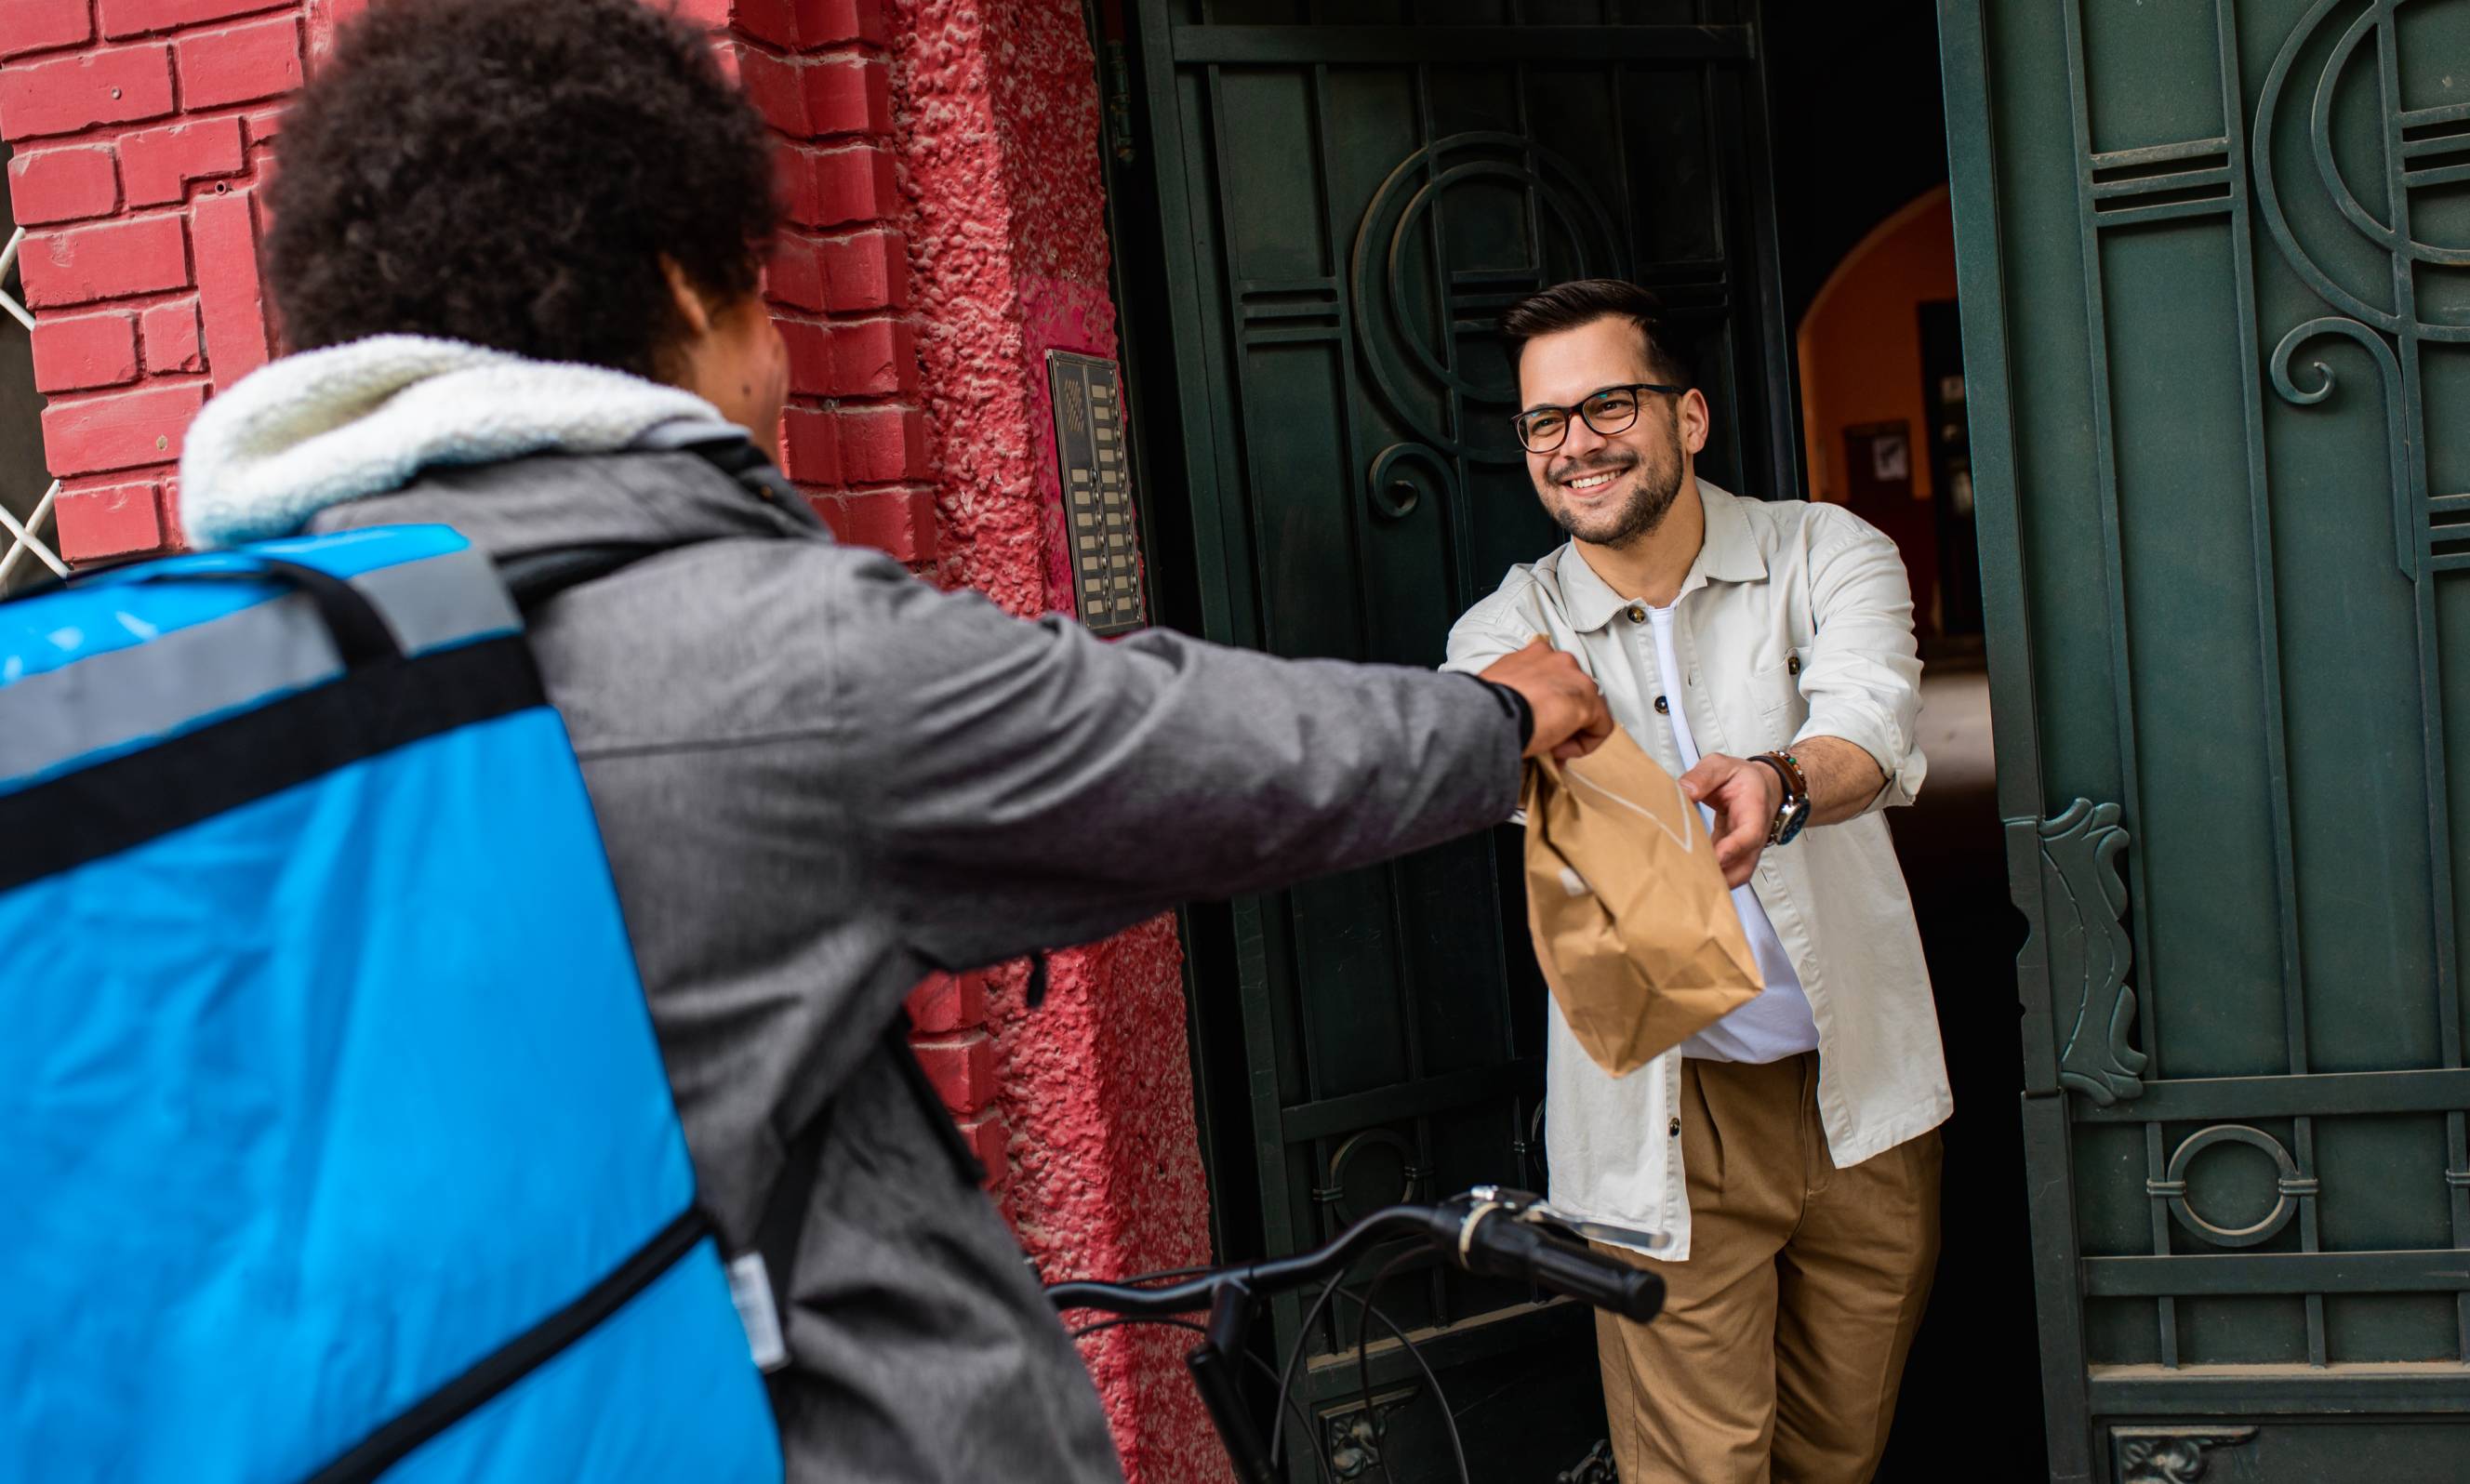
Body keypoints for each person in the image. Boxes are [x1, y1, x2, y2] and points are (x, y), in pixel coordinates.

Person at [174, 2, 1610, 1478]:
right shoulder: (757, 651)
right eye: (761, 299)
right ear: (680, 284)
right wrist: (1505, 714)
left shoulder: (226, 679)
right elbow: (1217, 758)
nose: (783, 363)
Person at [1442, 280, 1950, 1483]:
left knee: (1840, 1455)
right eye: (1543, 423)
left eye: (1608, 404)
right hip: (1670, 1122)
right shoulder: (1503, 631)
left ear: (1690, 418)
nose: (1575, 445)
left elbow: (1873, 723)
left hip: (1860, 1095)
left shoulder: (1825, 549)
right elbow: (1505, 766)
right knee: (1698, 1474)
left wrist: (1777, 781)